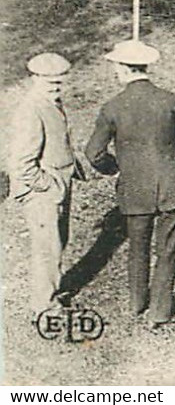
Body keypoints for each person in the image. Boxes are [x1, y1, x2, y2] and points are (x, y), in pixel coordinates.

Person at [84, 40, 175, 332]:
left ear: (123, 69)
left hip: (134, 188)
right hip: (171, 185)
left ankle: (137, 303)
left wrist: (116, 168)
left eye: (116, 67)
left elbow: (93, 153)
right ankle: (160, 312)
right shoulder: (170, 99)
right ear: (145, 67)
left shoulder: (112, 107)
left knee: (138, 247)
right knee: (168, 250)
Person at [7, 52, 89, 321]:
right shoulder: (30, 110)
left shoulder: (50, 102)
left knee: (57, 242)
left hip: (58, 184)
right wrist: (49, 186)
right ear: (34, 79)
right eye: (49, 83)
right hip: (44, 190)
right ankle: (44, 307)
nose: (55, 88)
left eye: (58, 83)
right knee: (47, 248)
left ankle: (51, 292)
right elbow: (21, 164)